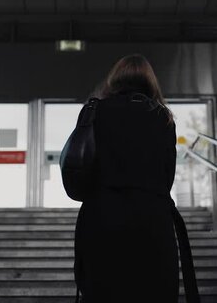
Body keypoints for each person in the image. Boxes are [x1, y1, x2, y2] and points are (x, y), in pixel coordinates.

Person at [72, 54, 199, 302]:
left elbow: (83, 164)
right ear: (150, 81)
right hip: (152, 223)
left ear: (115, 78)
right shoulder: (163, 117)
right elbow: (167, 178)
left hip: (102, 219)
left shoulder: (95, 111)